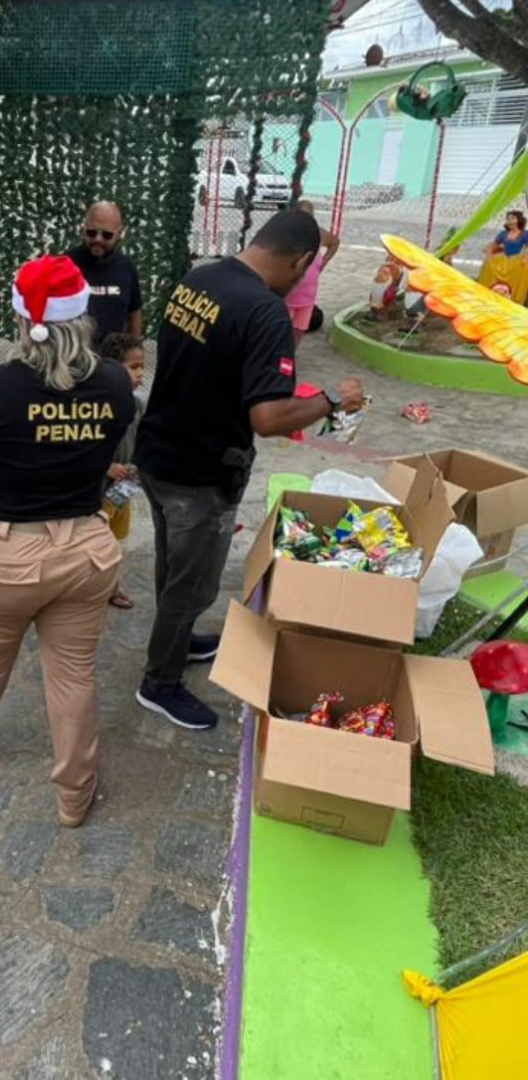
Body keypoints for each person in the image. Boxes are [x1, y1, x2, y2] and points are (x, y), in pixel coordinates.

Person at [133, 209, 364, 731]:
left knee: (175, 568)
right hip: (201, 474)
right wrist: (332, 399)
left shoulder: (199, 279)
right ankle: (159, 682)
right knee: (190, 583)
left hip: (159, 455)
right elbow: (269, 417)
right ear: (302, 260)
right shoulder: (265, 313)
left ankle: (180, 639)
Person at [0, 254, 135, 828]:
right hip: (86, 548)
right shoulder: (116, 382)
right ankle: (75, 793)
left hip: (8, 553)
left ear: (23, 320)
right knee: (74, 674)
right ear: (86, 318)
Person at [99, 331, 146, 610]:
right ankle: (88, 590)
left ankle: (111, 587)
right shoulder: (96, 405)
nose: (141, 374)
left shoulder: (138, 405)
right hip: (100, 491)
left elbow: (141, 441)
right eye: (134, 367)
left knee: (116, 543)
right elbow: (82, 447)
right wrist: (106, 467)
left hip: (124, 488)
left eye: (143, 367)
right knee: (97, 542)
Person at [67, 201, 143, 346]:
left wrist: (134, 351)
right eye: (92, 232)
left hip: (112, 361)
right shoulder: (66, 265)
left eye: (107, 235)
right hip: (74, 360)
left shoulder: (126, 267)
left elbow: (134, 313)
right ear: (82, 230)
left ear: (119, 233)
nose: (98, 239)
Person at [284, 199, 339, 347]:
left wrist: (323, 262)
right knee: (282, 331)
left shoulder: (318, 234)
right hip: (287, 296)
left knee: (299, 330)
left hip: (307, 297)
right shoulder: (287, 235)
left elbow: (335, 243)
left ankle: (290, 358)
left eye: (309, 216)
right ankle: (279, 357)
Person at [478, 209, 528, 304]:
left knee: (523, 271)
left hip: (516, 260)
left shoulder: (524, 234)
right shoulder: (503, 234)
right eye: (508, 219)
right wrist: (488, 256)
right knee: (488, 266)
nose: (510, 221)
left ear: (519, 220)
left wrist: (526, 257)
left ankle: (513, 297)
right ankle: (492, 293)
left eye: (513, 218)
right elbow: (492, 246)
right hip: (503, 259)